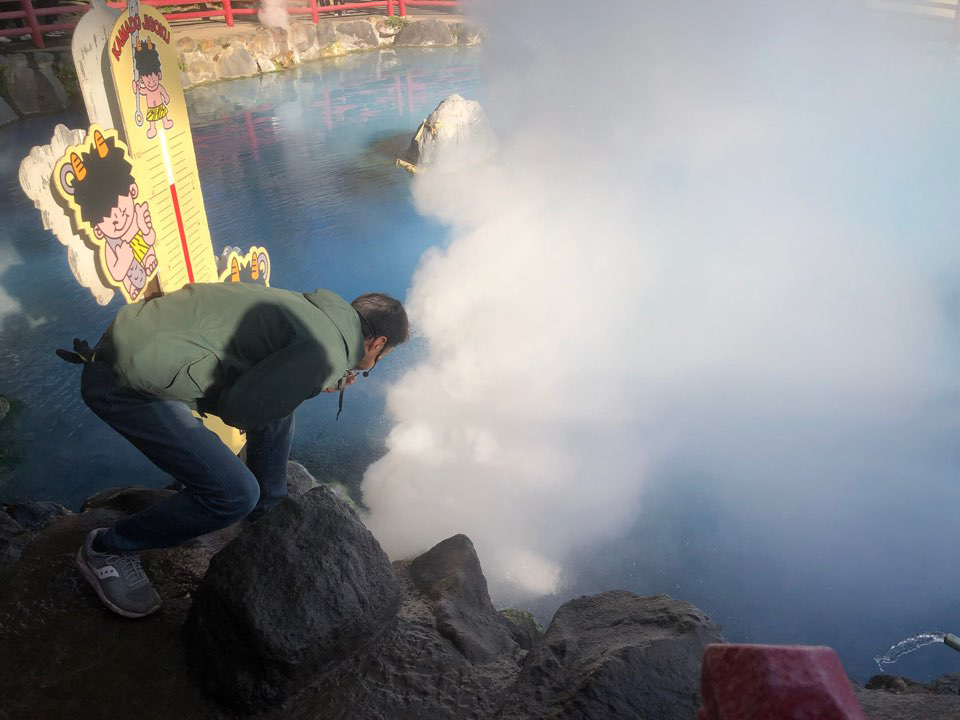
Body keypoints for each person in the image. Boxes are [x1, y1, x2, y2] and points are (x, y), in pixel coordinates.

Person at [64, 282, 408, 619]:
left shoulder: (315, 312)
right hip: (124, 383)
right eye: (383, 357)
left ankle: (265, 510)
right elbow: (239, 411)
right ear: (377, 343)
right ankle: (107, 550)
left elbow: (267, 365)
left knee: (279, 406)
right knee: (233, 495)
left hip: (142, 350)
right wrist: (309, 380)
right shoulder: (325, 353)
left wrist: (311, 381)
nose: (376, 362)